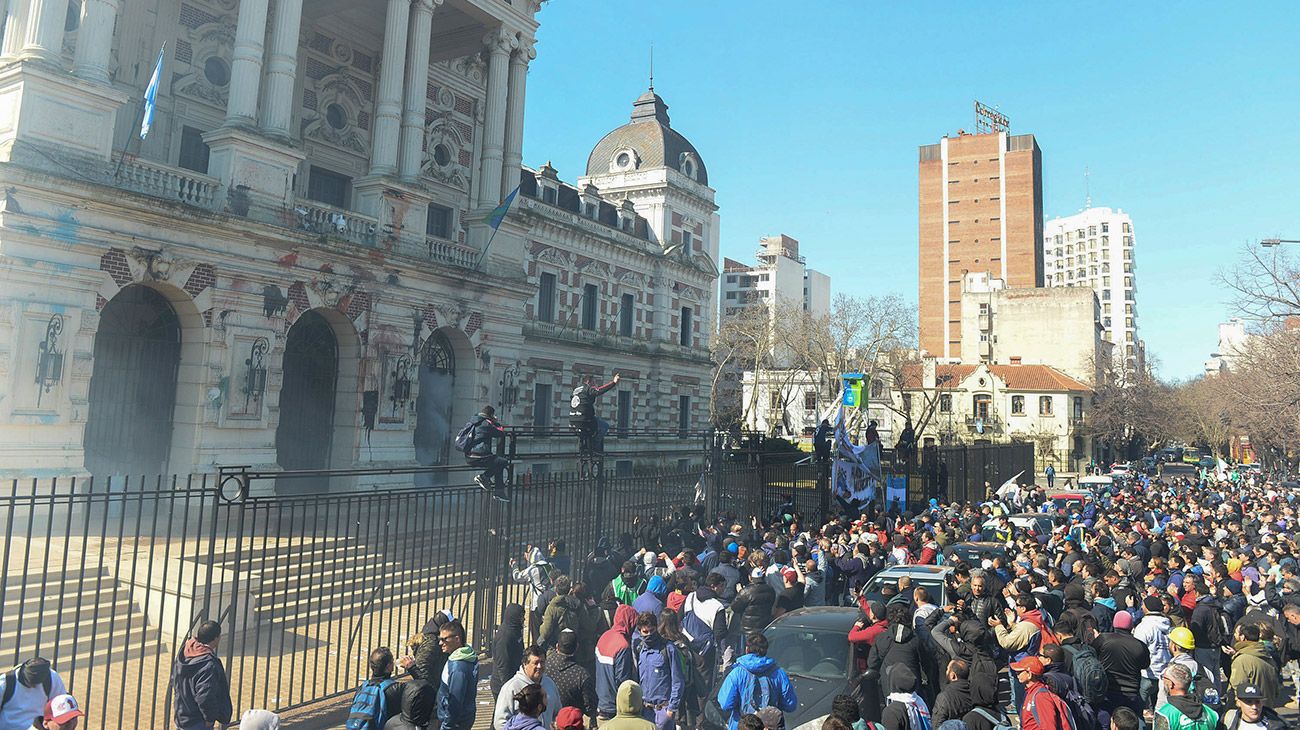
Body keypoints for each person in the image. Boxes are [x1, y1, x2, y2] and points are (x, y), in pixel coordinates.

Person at [716, 633, 797, 730]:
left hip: (741, 726)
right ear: (765, 650)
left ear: (746, 649)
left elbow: (725, 704)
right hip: (769, 726)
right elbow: (790, 705)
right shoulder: (778, 673)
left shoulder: (737, 673)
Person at [171, 620, 233, 730]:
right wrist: (209, 720)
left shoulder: (185, 653)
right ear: (215, 638)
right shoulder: (208, 665)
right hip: (198, 722)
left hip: (182, 717)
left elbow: (174, 680)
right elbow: (205, 696)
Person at [1093, 609, 1150, 721]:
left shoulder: (1104, 639)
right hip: (1131, 693)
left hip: (1108, 691)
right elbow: (1145, 664)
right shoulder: (1140, 645)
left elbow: (1093, 653)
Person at [633, 612, 684, 730]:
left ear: (657, 628)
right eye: (645, 632)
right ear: (640, 631)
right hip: (644, 711)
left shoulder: (668, 648)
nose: (649, 634)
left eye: (652, 630)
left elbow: (678, 681)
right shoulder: (640, 649)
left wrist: (671, 710)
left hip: (663, 711)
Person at [493, 646, 561, 730]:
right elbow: (500, 722)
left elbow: (558, 714)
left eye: (542, 662)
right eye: (535, 663)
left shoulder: (550, 684)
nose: (539, 666)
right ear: (525, 664)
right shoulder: (511, 688)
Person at [596, 605, 640, 725]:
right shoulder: (623, 646)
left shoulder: (604, 637)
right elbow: (622, 681)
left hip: (601, 701)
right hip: (614, 706)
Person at [346, 647, 404, 730]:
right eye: (392, 662)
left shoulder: (362, 687)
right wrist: (412, 668)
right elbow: (423, 690)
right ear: (388, 667)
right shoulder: (395, 688)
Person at [0, 658, 67, 730]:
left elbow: (62, 709)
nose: (34, 687)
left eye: (37, 684)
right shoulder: (5, 683)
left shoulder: (52, 678)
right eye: (31, 683)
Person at [545, 631, 597, 723]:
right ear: (577, 647)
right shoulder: (582, 675)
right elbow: (590, 706)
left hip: (547, 720)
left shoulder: (544, 666)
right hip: (571, 723)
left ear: (557, 646)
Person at [436, 621, 479, 730]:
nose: (441, 643)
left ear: (457, 639)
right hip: (463, 718)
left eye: (444, 639)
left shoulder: (458, 668)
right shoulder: (467, 655)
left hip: (455, 723)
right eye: (439, 639)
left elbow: (455, 702)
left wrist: (447, 726)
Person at [1227, 623, 1281, 709]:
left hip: (1248, 709)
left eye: (1236, 633)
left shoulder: (1242, 660)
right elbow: (1276, 687)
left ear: (1242, 637)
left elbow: (1238, 687)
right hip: (1266, 707)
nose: (1234, 635)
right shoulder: (1267, 656)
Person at [1012, 657, 1074, 730]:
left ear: (1029, 674)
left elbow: (1049, 727)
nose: (1017, 674)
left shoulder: (1041, 696)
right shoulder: (1031, 691)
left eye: (1020, 672)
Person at [465, 405, 510, 501]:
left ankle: (499, 492)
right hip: (478, 457)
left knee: (498, 463)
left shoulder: (474, 422)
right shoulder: (485, 424)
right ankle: (484, 478)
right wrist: (496, 423)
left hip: (470, 456)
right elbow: (500, 433)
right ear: (491, 415)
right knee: (503, 462)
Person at [1153, 664, 1218, 730]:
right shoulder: (1211, 713)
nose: (1163, 680)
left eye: (1164, 677)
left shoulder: (1165, 714)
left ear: (1170, 684)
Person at [570, 373, 620, 453]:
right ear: (588, 381)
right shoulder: (588, 389)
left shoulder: (575, 390)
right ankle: (594, 447)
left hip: (573, 420)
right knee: (604, 426)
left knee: (589, 430)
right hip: (585, 420)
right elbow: (600, 390)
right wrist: (613, 382)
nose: (594, 385)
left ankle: (584, 446)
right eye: (593, 382)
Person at [492, 604, 527, 696]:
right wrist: (508, 687)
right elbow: (503, 665)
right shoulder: (504, 637)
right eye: (521, 617)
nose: (523, 619)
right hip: (502, 684)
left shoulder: (516, 630)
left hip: (515, 679)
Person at [1221, 683, 1287, 730]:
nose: (1254, 707)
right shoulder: (1229, 718)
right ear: (1238, 703)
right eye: (1249, 702)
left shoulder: (1276, 725)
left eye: (1257, 702)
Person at [931, 660, 974, 727]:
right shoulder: (975, 691)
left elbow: (936, 724)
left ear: (953, 676)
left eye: (948, 669)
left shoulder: (944, 697)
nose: (946, 671)